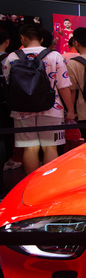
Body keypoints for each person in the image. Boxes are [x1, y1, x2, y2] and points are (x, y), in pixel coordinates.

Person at [3, 24, 75, 174]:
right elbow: (63, 86)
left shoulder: (12, 57)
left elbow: (9, 85)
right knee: (50, 147)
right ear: (41, 39)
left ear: (22, 37)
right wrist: (71, 110)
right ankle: (47, 185)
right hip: (52, 108)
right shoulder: (54, 56)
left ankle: (31, 185)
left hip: (22, 109)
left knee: (30, 148)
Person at [0, 30, 21, 173]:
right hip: (4, 104)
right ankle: (6, 161)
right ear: (7, 42)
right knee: (5, 137)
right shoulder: (10, 59)